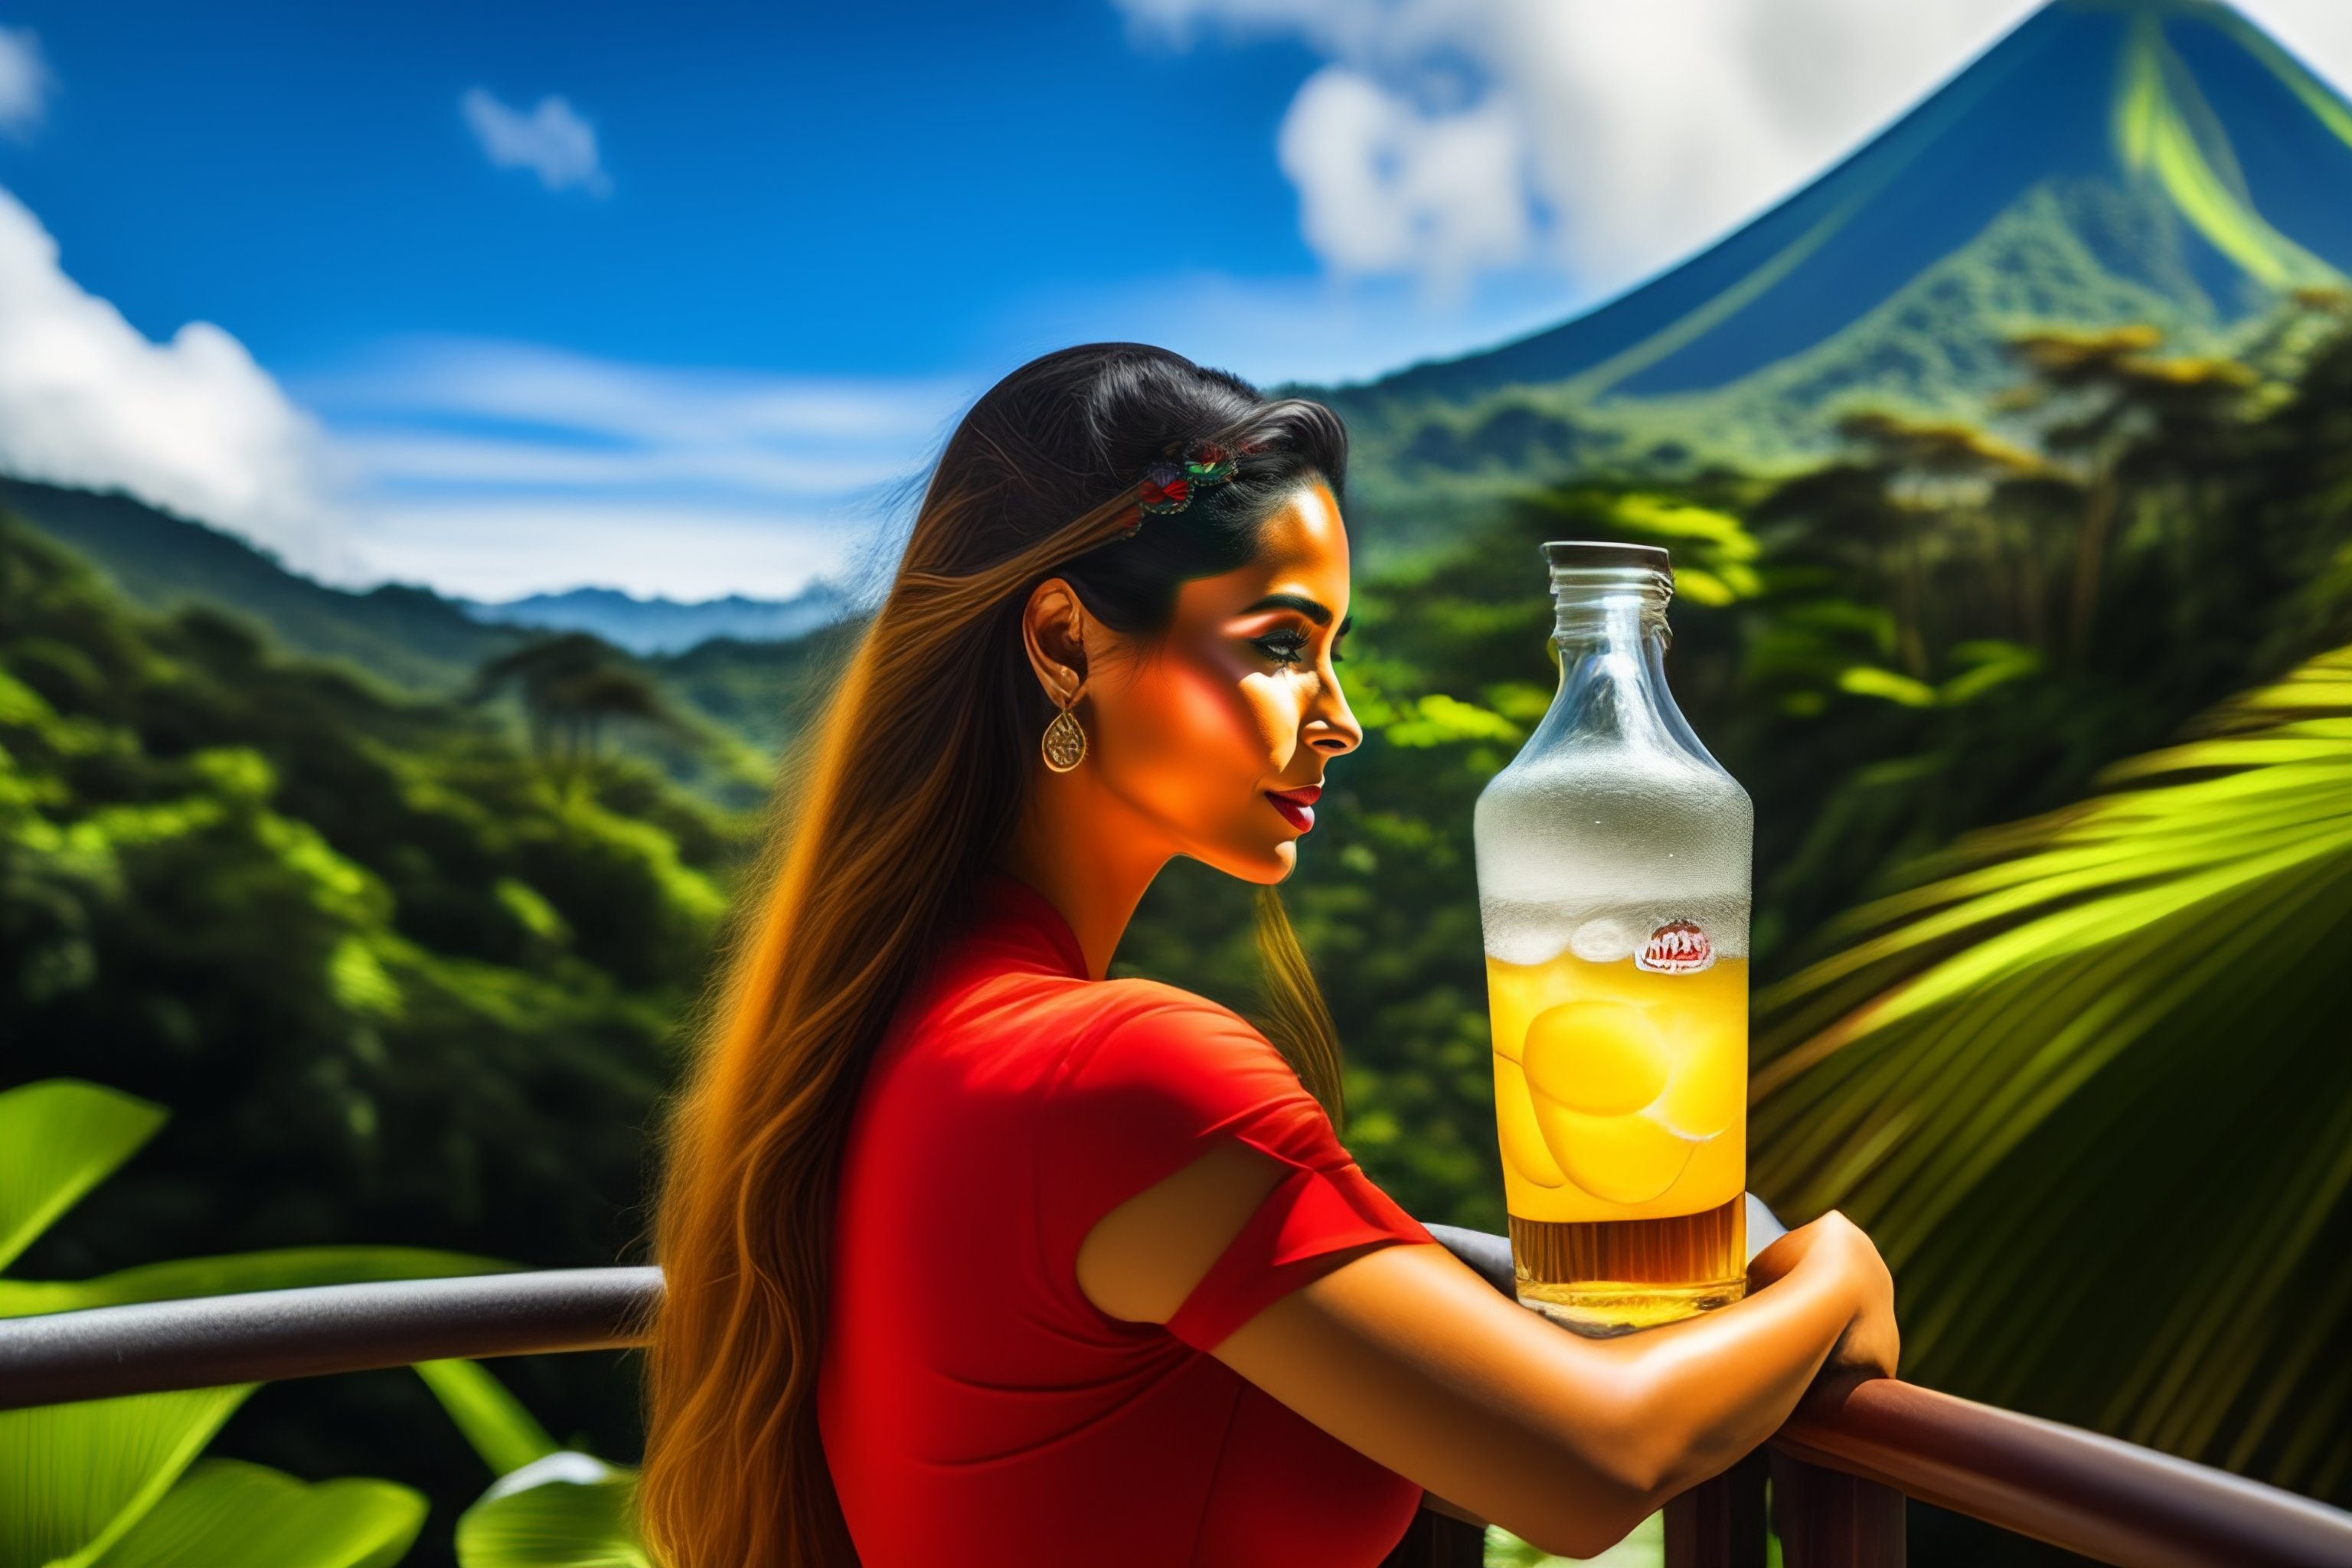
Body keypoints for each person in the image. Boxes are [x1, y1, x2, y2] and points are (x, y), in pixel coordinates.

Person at [636, 343, 1899, 1567]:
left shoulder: (890, 1030)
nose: (1340, 720)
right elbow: (1588, 1466)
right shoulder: (1120, 1075)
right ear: (1067, 644)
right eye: (1285, 646)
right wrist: (1829, 1272)